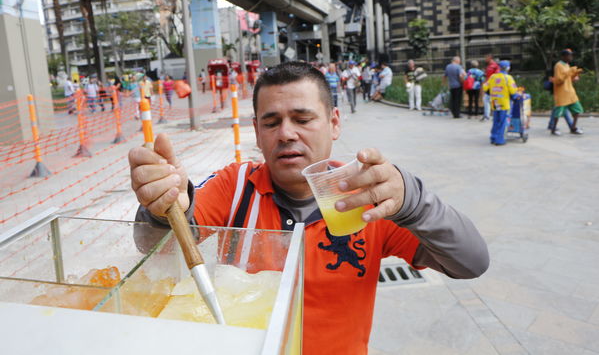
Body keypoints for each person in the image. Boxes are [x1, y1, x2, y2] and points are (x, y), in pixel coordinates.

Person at [129, 61, 489, 355]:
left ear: (334, 123)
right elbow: (155, 245)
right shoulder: (236, 186)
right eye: (271, 122)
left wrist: (413, 200)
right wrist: (163, 207)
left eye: (302, 119)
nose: (286, 133)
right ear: (256, 132)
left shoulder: (372, 196)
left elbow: (471, 262)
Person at [483, 60, 518, 145]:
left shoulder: (493, 77)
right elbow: (513, 91)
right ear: (508, 68)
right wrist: (515, 97)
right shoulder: (508, 78)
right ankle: (499, 140)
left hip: (495, 101)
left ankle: (493, 137)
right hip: (504, 102)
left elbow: (485, 87)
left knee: (496, 120)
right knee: (502, 121)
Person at [550, 49, 584, 136]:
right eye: (569, 55)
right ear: (563, 56)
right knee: (558, 113)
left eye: (571, 55)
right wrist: (569, 72)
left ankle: (573, 127)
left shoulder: (567, 65)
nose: (571, 57)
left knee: (577, 110)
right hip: (562, 93)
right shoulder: (558, 65)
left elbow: (569, 78)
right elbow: (559, 80)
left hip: (570, 92)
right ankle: (553, 129)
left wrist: (576, 73)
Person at [481, 54, 499, 121]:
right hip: (488, 85)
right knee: (486, 99)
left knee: (493, 100)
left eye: (486, 57)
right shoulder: (488, 66)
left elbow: (496, 76)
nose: (485, 59)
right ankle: (487, 115)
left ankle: (494, 115)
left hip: (493, 86)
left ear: (490, 58)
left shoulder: (495, 66)